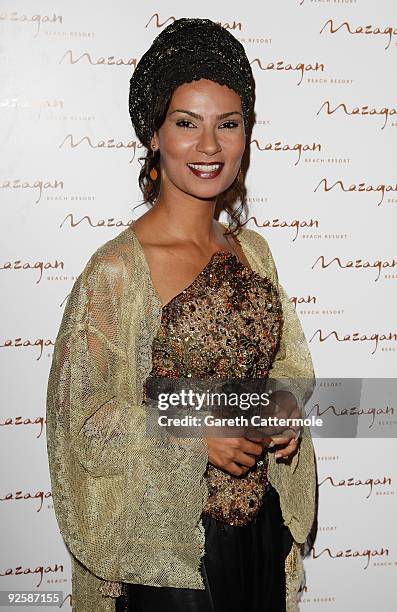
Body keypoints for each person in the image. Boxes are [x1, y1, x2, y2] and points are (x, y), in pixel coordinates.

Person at [46, 17, 317, 612]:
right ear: (153, 135)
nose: (210, 147)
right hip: (163, 556)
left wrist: (282, 406)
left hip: (259, 536)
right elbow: (82, 425)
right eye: (187, 124)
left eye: (229, 124)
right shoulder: (116, 273)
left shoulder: (254, 252)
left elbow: (290, 365)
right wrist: (195, 430)